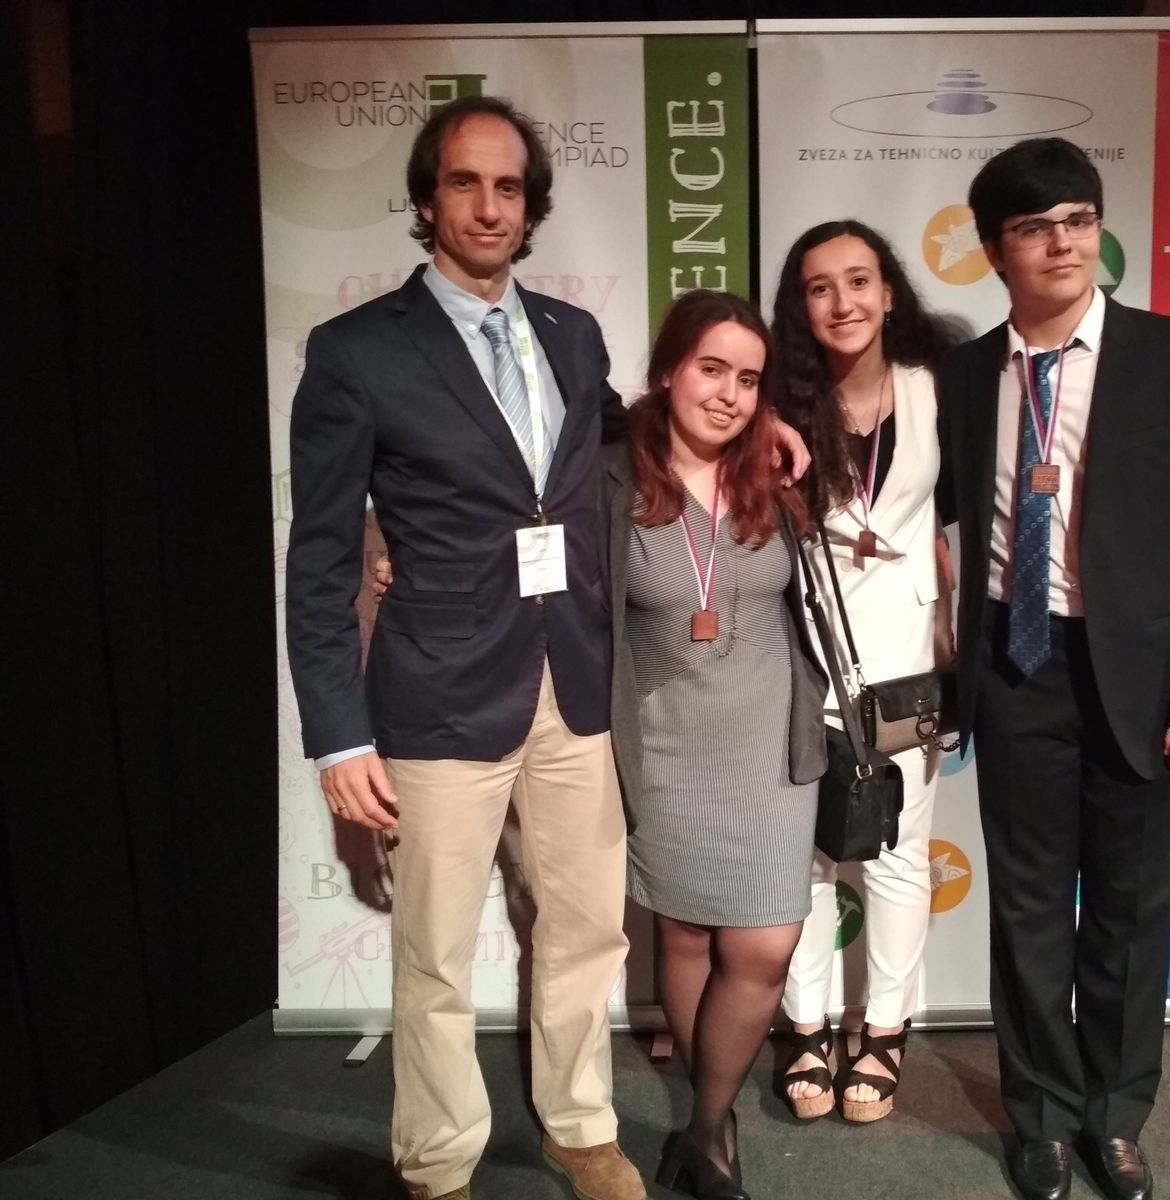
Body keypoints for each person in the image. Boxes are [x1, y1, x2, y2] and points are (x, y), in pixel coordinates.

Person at [286, 94, 649, 1200]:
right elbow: (320, 557)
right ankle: (438, 1161)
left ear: (530, 204)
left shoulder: (572, 336)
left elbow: (614, 445)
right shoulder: (356, 353)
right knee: (436, 953)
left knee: (586, 930)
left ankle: (579, 1123)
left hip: (570, 687)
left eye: (508, 186)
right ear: (425, 198)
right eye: (464, 183)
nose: (488, 206)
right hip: (437, 691)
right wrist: (338, 735)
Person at [935, 138, 1170, 1200]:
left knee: (1128, 910)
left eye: (1076, 218)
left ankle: (1113, 1117)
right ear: (993, 251)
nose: (1061, 242)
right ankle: (1038, 1117)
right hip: (1016, 665)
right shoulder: (966, 373)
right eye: (1033, 226)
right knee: (1024, 912)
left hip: (1145, 684)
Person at [597, 290, 827, 1200]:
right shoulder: (612, 478)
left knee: (763, 949)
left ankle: (702, 1124)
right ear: (667, 369)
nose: (729, 394)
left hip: (770, 748)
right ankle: (715, 1125)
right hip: (662, 747)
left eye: (749, 379)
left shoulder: (775, 475)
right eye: (711, 368)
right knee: (685, 936)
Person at [766, 220, 954, 1124]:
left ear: (888, 293)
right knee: (801, 854)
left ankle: (881, 1030)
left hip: (903, 666)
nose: (842, 303)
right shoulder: (772, 401)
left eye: (859, 281)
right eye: (819, 287)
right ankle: (802, 1026)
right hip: (795, 654)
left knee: (895, 852)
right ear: (799, 306)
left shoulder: (937, 387)